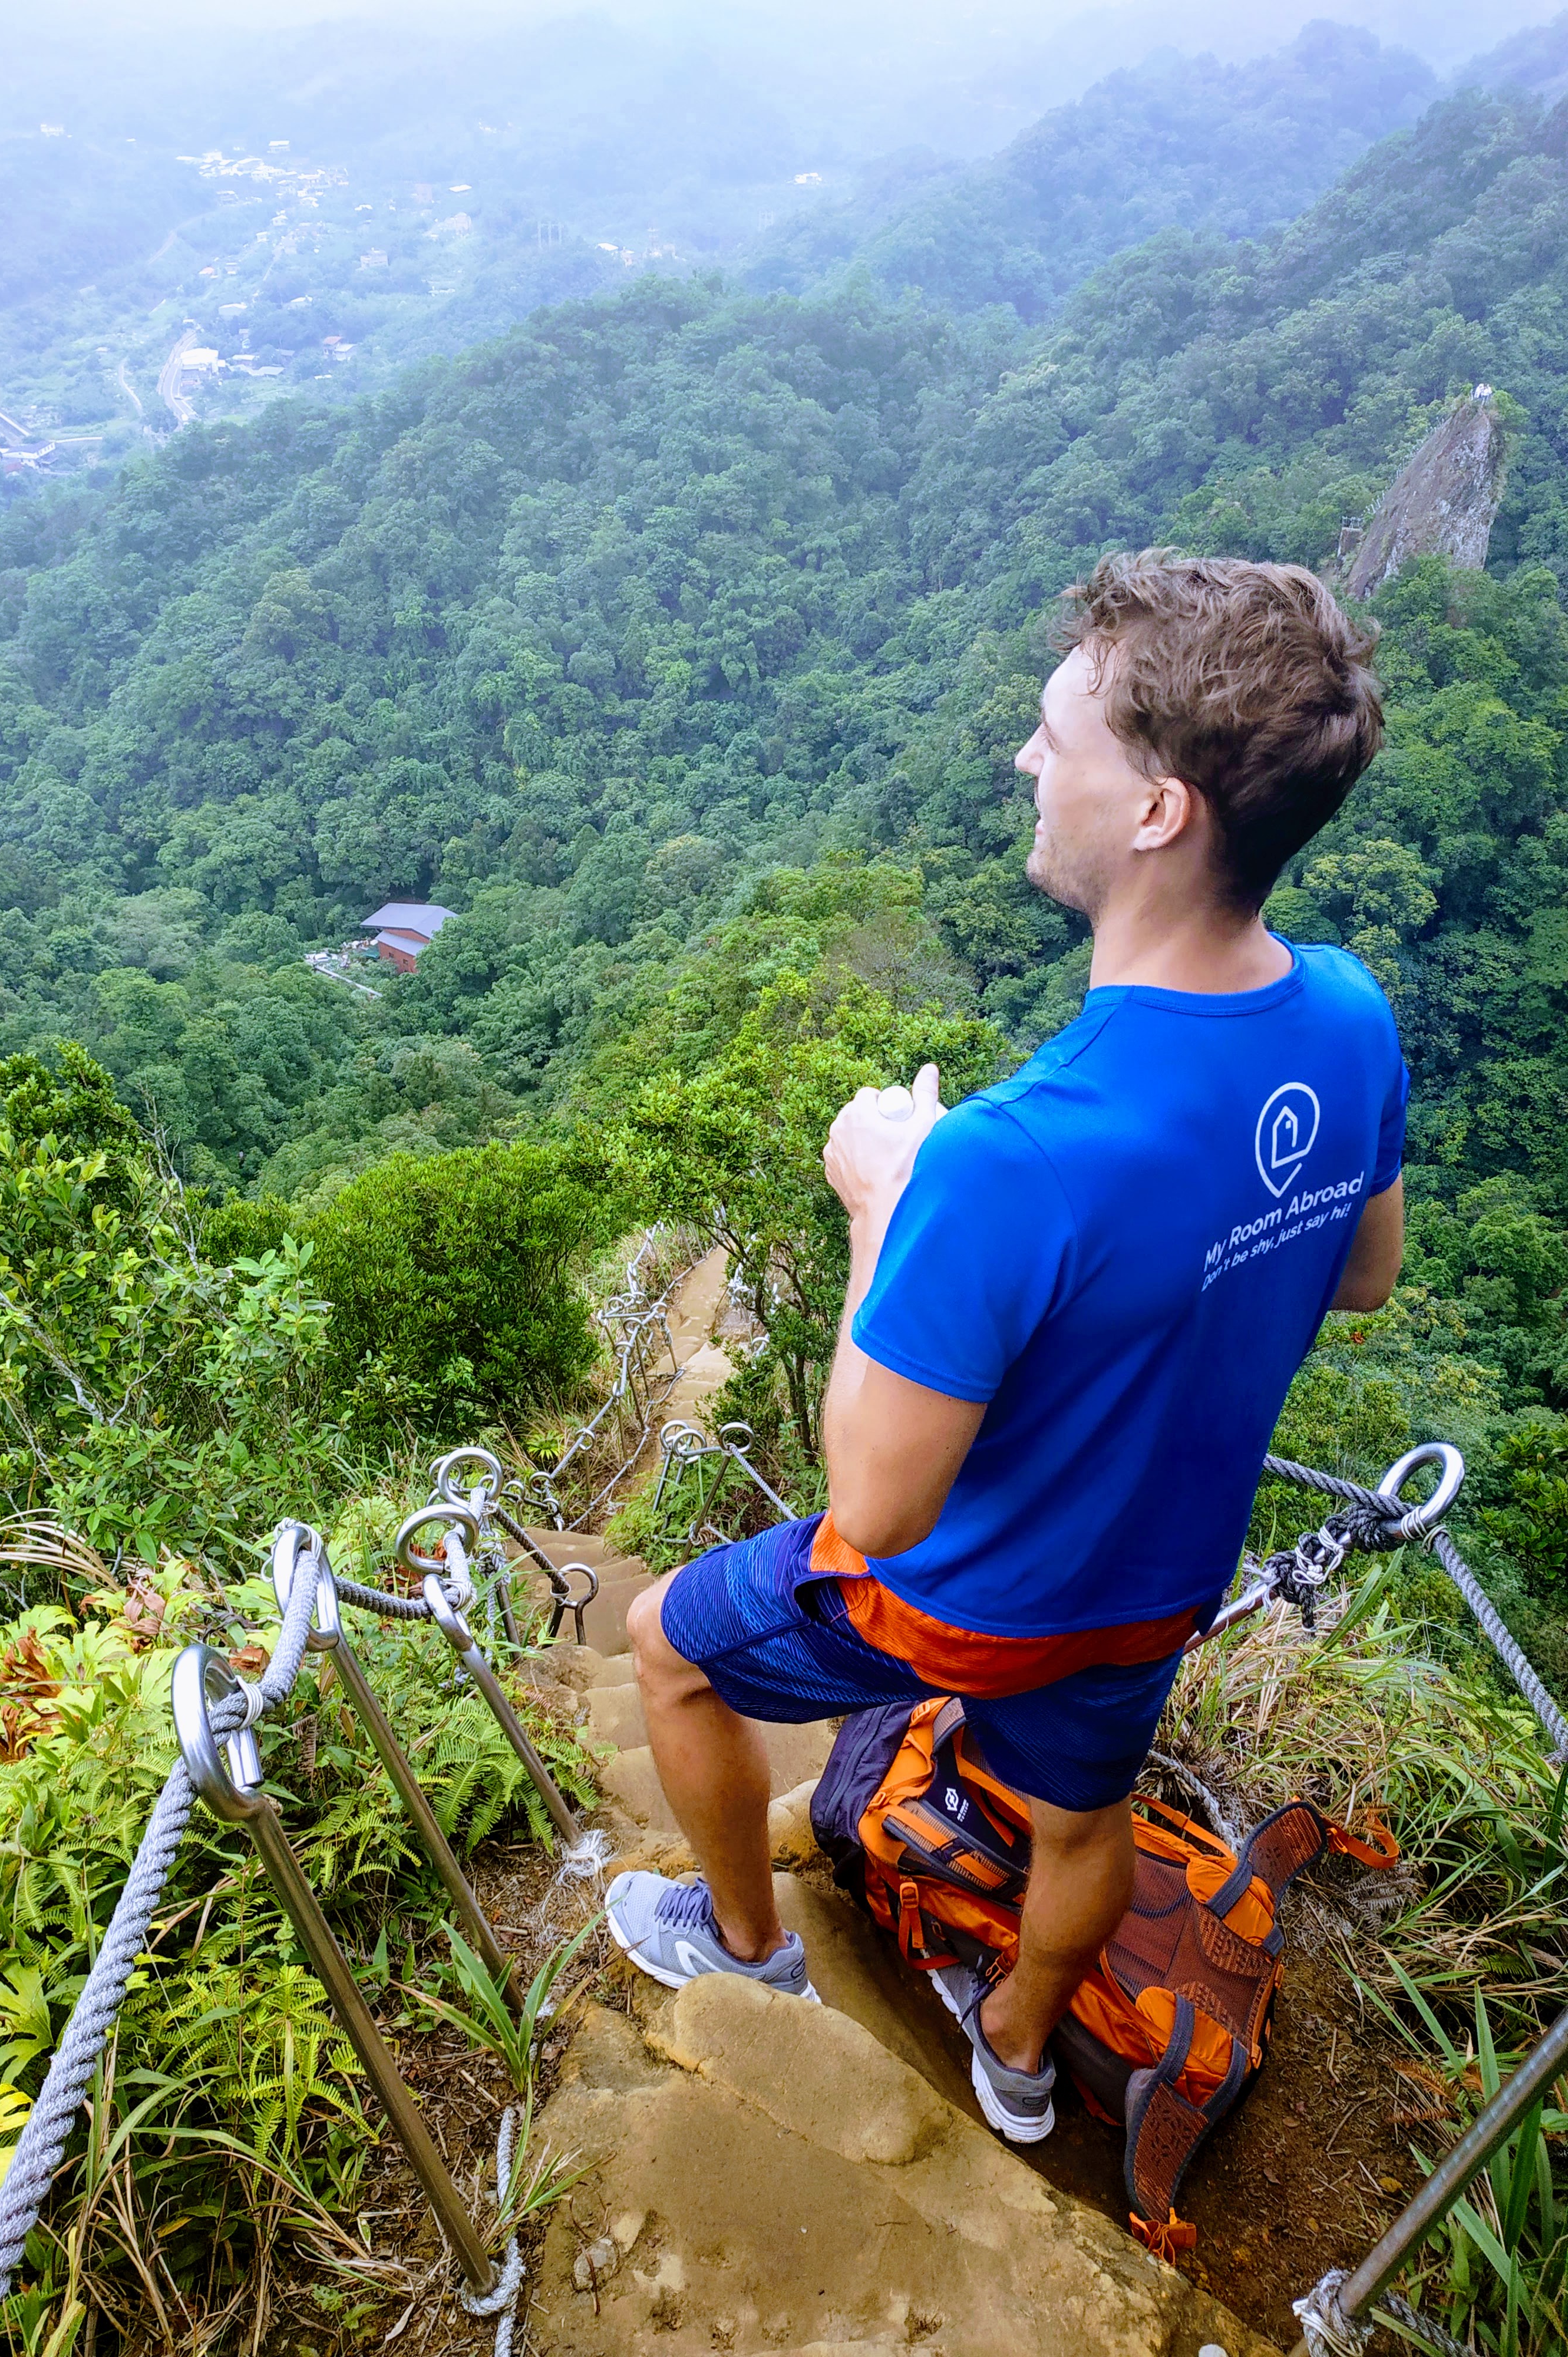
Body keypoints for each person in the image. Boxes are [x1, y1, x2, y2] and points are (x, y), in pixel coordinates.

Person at [606, 550, 1407, 2145]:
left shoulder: (1011, 1155)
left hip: (974, 1603)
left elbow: (877, 1504)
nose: (1027, 758)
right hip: (1158, 1586)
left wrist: (883, 1208)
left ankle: (749, 1952)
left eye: (1057, 735)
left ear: (1159, 809)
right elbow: (1364, 1279)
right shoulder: (1349, 1017)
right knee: (1083, 1823)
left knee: (665, 1645)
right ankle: (1023, 2058)